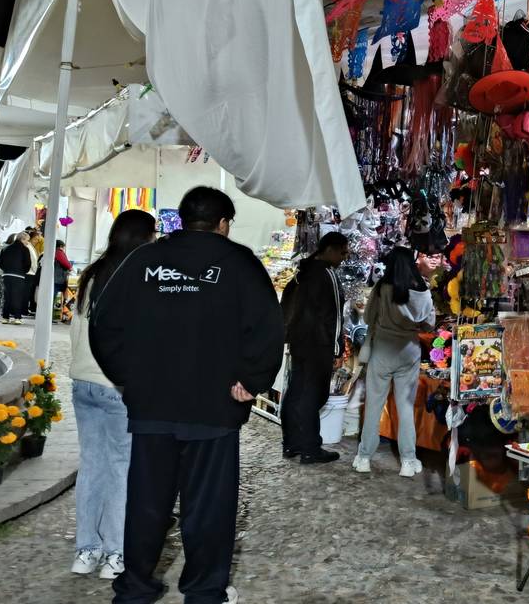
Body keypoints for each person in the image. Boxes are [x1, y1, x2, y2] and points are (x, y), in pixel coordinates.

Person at [91, 187, 284, 604]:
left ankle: (135, 587)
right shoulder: (240, 263)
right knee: (209, 506)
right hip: (213, 408)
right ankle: (203, 591)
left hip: (152, 406)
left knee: (146, 503)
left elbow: (103, 326)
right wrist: (251, 380)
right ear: (223, 223)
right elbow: (269, 329)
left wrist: (129, 378)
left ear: (181, 218)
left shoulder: (143, 261)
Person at [69, 210, 156, 581]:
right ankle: (115, 553)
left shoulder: (93, 273)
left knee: (91, 466)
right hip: (115, 385)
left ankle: (86, 550)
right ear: (143, 238)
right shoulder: (137, 276)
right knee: (121, 469)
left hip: (82, 381)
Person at [353, 246, 435, 477]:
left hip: (382, 350)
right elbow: (429, 324)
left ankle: (364, 458)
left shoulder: (382, 288)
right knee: (405, 407)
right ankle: (408, 461)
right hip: (409, 352)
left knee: (374, 405)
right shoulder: (422, 289)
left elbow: (368, 317)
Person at [280, 231, 348, 464]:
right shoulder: (327, 274)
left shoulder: (303, 272)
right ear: (330, 250)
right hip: (319, 344)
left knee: (297, 390)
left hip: (299, 341)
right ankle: (310, 447)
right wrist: (338, 348)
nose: (344, 258)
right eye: (342, 252)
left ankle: (292, 443)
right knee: (313, 394)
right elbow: (335, 316)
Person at [0, 233, 31, 324]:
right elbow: (28, 264)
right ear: (22, 239)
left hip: (6, 275)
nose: (27, 243)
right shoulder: (25, 249)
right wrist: (23, 271)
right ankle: (17, 318)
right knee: (17, 297)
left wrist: (6, 269)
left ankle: (5, 318)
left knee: (7, 297)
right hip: (19, 276)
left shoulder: (5, 248)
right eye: (27, 240)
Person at [54, 240, 73, 320]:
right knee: (56, 297)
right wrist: (70, 268)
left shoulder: (53, 251)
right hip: (58, 278)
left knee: (55, 296)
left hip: (55, 277)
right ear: (61, 246)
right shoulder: (59, 252)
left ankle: (54, 315)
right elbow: (66, 264)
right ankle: (54, 315)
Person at [23, 230, 39, 315]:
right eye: (35, 239)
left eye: (37, 240)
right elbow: (32, 261)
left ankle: (25, 309)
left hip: (31, 272)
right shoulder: (29, 247)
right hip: (30, 272)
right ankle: (24, 309)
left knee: (28, 292)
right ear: (30, 238)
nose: (36, 241)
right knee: (26, 292)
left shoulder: (31, 247)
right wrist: (35, 271)